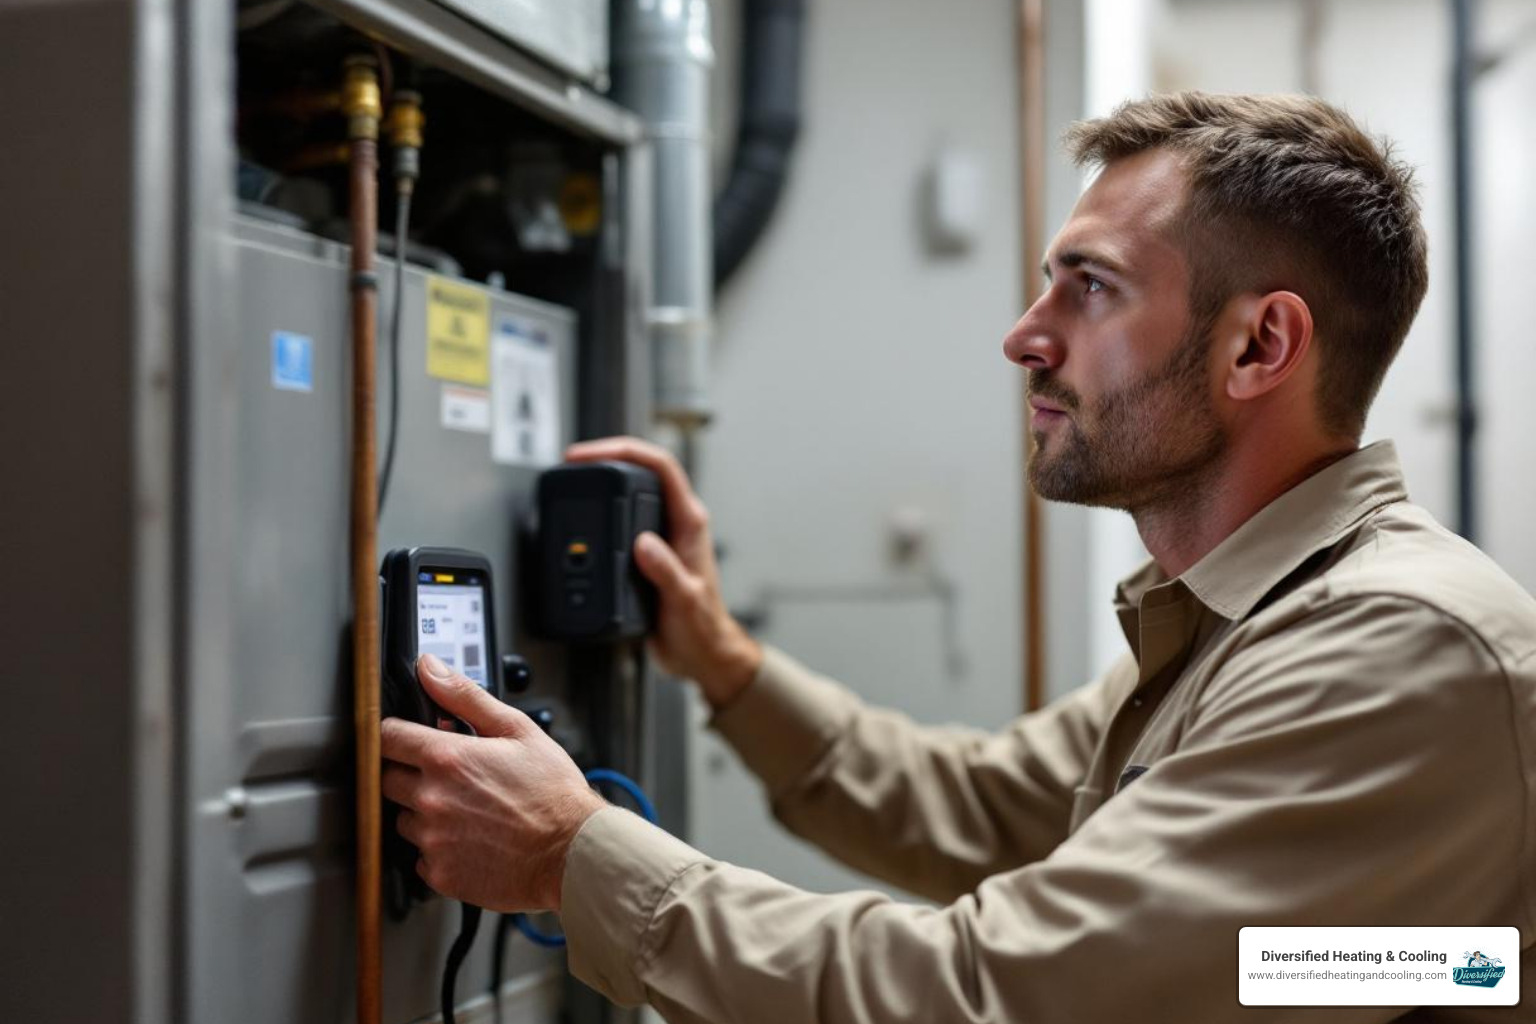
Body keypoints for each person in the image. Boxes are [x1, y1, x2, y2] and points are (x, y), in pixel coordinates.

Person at [380, 92, 1536, 1022]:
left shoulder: (1395, 647)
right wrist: (722, 659)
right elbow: (973, 807)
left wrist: (569, 856)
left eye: (1091, 286)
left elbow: (1004, 996)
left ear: (1258, 346)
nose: (1025, 335)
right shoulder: (1236, 625)